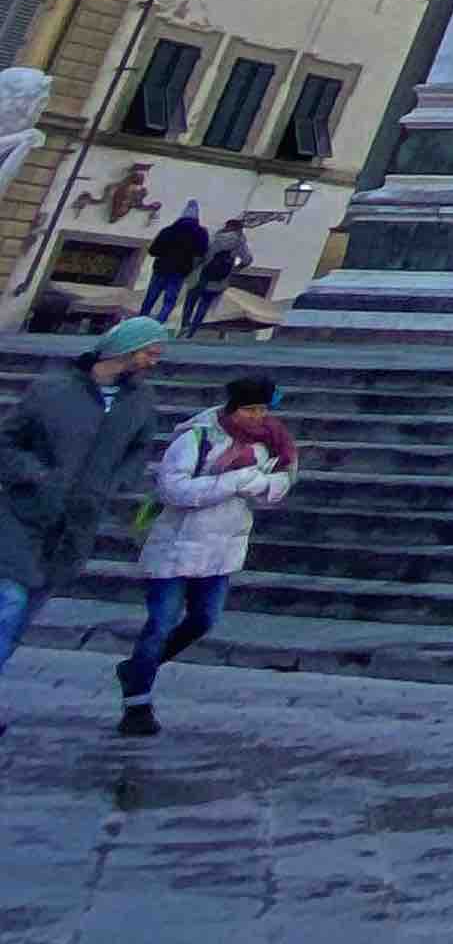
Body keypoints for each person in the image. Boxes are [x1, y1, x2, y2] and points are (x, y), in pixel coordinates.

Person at [0, 316, 174, 735]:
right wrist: (35, 474)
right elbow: (6, 441)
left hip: (76, 525)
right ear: (125, 349)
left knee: (21, 618)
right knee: (8, 607)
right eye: (149, 352)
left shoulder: (140, 402)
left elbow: (138, 450)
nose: (154, 361)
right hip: (21, 516)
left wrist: (115, 483)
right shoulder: (51, 390)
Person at [117, 375, 295, 736]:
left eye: (262, 409)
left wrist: (260, 485)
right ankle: (137, 703)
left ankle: (138, 668)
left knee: (203, 620)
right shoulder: (196, 438)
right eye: (250, 410)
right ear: (233, 408)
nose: (257, 417)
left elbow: (282, 481)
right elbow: (172, 488)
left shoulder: (272, 441)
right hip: (177, 546)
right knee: (160, 623)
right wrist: (233, 481)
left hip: (223, 548)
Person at [181, 217, 252, 335]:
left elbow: (200, 253)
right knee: (204, 304)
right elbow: (247, 259)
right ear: (239, 229)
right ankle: (192, 331)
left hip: (201, 274)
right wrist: (235, 269)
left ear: (227, 226)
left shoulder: (214, 237)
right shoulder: (240, 242)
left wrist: (193, 267)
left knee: (190, 301)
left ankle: (184, 324)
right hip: (220, 278)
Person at [142, 204, 210, 328]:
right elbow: (202, 254)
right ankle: (158, 323)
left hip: (161, 268)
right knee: (170, 300)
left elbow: (153, 251)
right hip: (181, 271)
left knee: (151, 296)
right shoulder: (201, 233)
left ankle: (141, 319)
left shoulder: (168, 230)